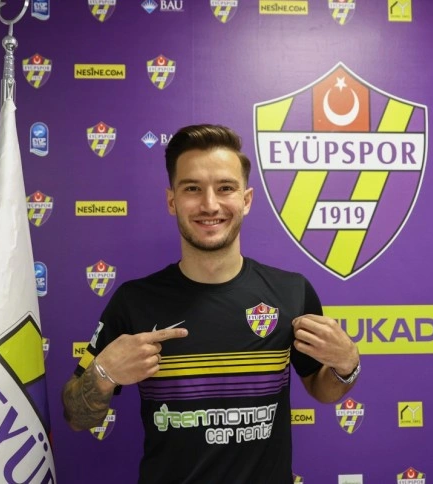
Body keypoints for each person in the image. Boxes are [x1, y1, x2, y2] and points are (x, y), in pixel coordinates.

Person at [62, 124, 361, 483]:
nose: (210, 205)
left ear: (246, 200)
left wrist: (347, 364)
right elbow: (76, 416)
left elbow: (322, 388)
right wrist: (104, 374)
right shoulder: (134, 301)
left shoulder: (292, 293)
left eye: (225, 188)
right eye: (192, 188)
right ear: (172, 201)